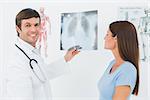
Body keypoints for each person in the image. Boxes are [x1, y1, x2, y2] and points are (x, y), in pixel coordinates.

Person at [4, 8, 79, 100]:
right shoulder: (16, 63)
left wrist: (66, 58)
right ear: (18, 29)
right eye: (28, 25)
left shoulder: (31, 52)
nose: (33, 30)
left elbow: (42, 73)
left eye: (36, 25)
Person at [98, 21, 139, 100]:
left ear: (116, 38)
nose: (104, 38)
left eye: (107, 34)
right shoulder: (112, 63)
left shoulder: (128, 69)